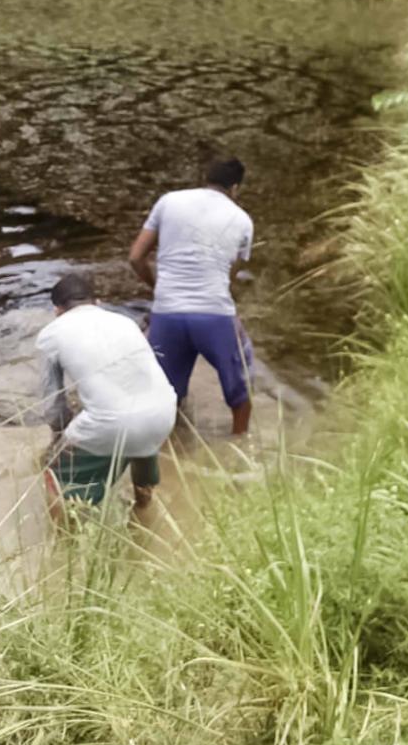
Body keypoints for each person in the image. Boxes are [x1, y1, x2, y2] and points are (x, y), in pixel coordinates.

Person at [36, 273, 177, 520]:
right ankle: (144, 514)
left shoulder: (51, 335)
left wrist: (60, 442)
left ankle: (68, 538)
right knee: (140, 443)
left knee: (56, 478)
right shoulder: (126, 322)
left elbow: (53, 404)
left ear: (57, 310)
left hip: (113, 423)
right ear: (97, 302)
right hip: (164, 412)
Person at [129, 158, 254, 434]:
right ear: (235, 188)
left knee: (165, 394)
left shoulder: (168, 202)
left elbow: (136, 258)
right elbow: (228, 276)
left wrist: (159, 289)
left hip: (167, 314)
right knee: (241, 387)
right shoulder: (243, 220)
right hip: (214, 316)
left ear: (204, 178)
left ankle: (169, 450)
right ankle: (241, 444)